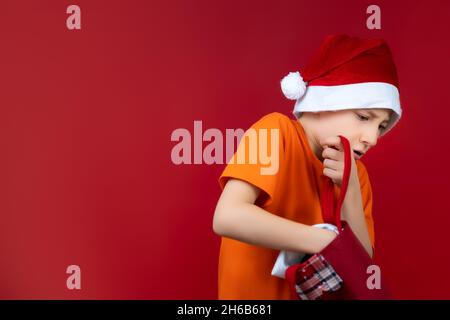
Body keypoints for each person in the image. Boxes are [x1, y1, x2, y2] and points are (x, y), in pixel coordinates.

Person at [212, 34, 402, 300]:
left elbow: (362, 268)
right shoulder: (275, 132)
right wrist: (327, 244)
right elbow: (227, 217)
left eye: (381, 126)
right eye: (363, 117)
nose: (372, 138)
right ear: (324, 103)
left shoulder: (357, 176)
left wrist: (350, 192)